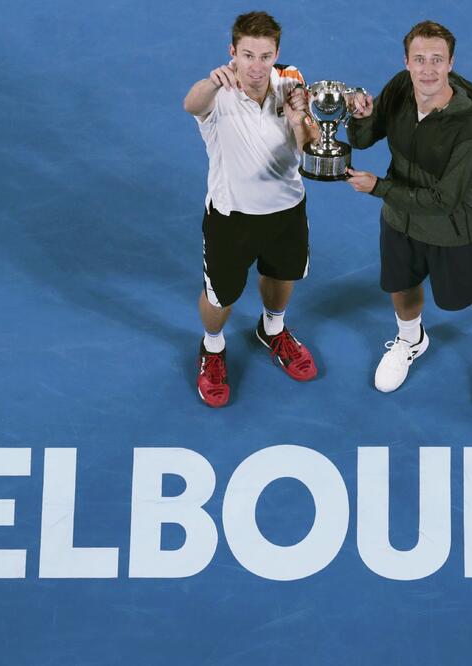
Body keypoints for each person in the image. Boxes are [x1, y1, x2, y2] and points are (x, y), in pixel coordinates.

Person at [345, 20, 472, 409]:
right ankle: (411, 339)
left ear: (451, 63)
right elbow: (363, 139)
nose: (428, 69)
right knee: (402, 286)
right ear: (406, 62)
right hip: (400, 220)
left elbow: (444, 201)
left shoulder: (471, 128)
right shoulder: (400, 88)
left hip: (454, 230)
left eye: (437, 59)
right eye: (419, 59)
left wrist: (379, 188)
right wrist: (362, 116)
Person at [183, 11, 320, 408]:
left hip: (287, 210)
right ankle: (212, 347)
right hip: (232, 218)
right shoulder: (217, 93)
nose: (256, 66)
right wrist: (212, 81)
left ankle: (272, 329)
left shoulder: (291, 84)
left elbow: (311, 148)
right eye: (247, 55)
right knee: (220, 297)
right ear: (233, 52)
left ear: (276, 53)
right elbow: (191, 104)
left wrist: (299, 118)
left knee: (282, 275)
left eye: (265, 56)